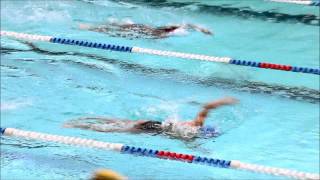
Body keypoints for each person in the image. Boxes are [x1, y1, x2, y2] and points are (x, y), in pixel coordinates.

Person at [64, 97, 238, 140]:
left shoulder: (195, 124)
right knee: (114, 128)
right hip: (152, 129)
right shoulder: (191, 135)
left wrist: (222, 102)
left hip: (154, 122)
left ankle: (86, 119)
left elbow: (205, 108)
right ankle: (80, 126)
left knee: (116, 122)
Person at [78, 22, 213, 39]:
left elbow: (188, 25)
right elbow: (188, 25)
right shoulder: (158, 34)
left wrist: (201, 29)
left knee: (113, 29)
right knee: (110, 31)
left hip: (140, 27)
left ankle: (90, 27)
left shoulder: (161, 32)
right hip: (138, 30)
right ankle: (89, 27)